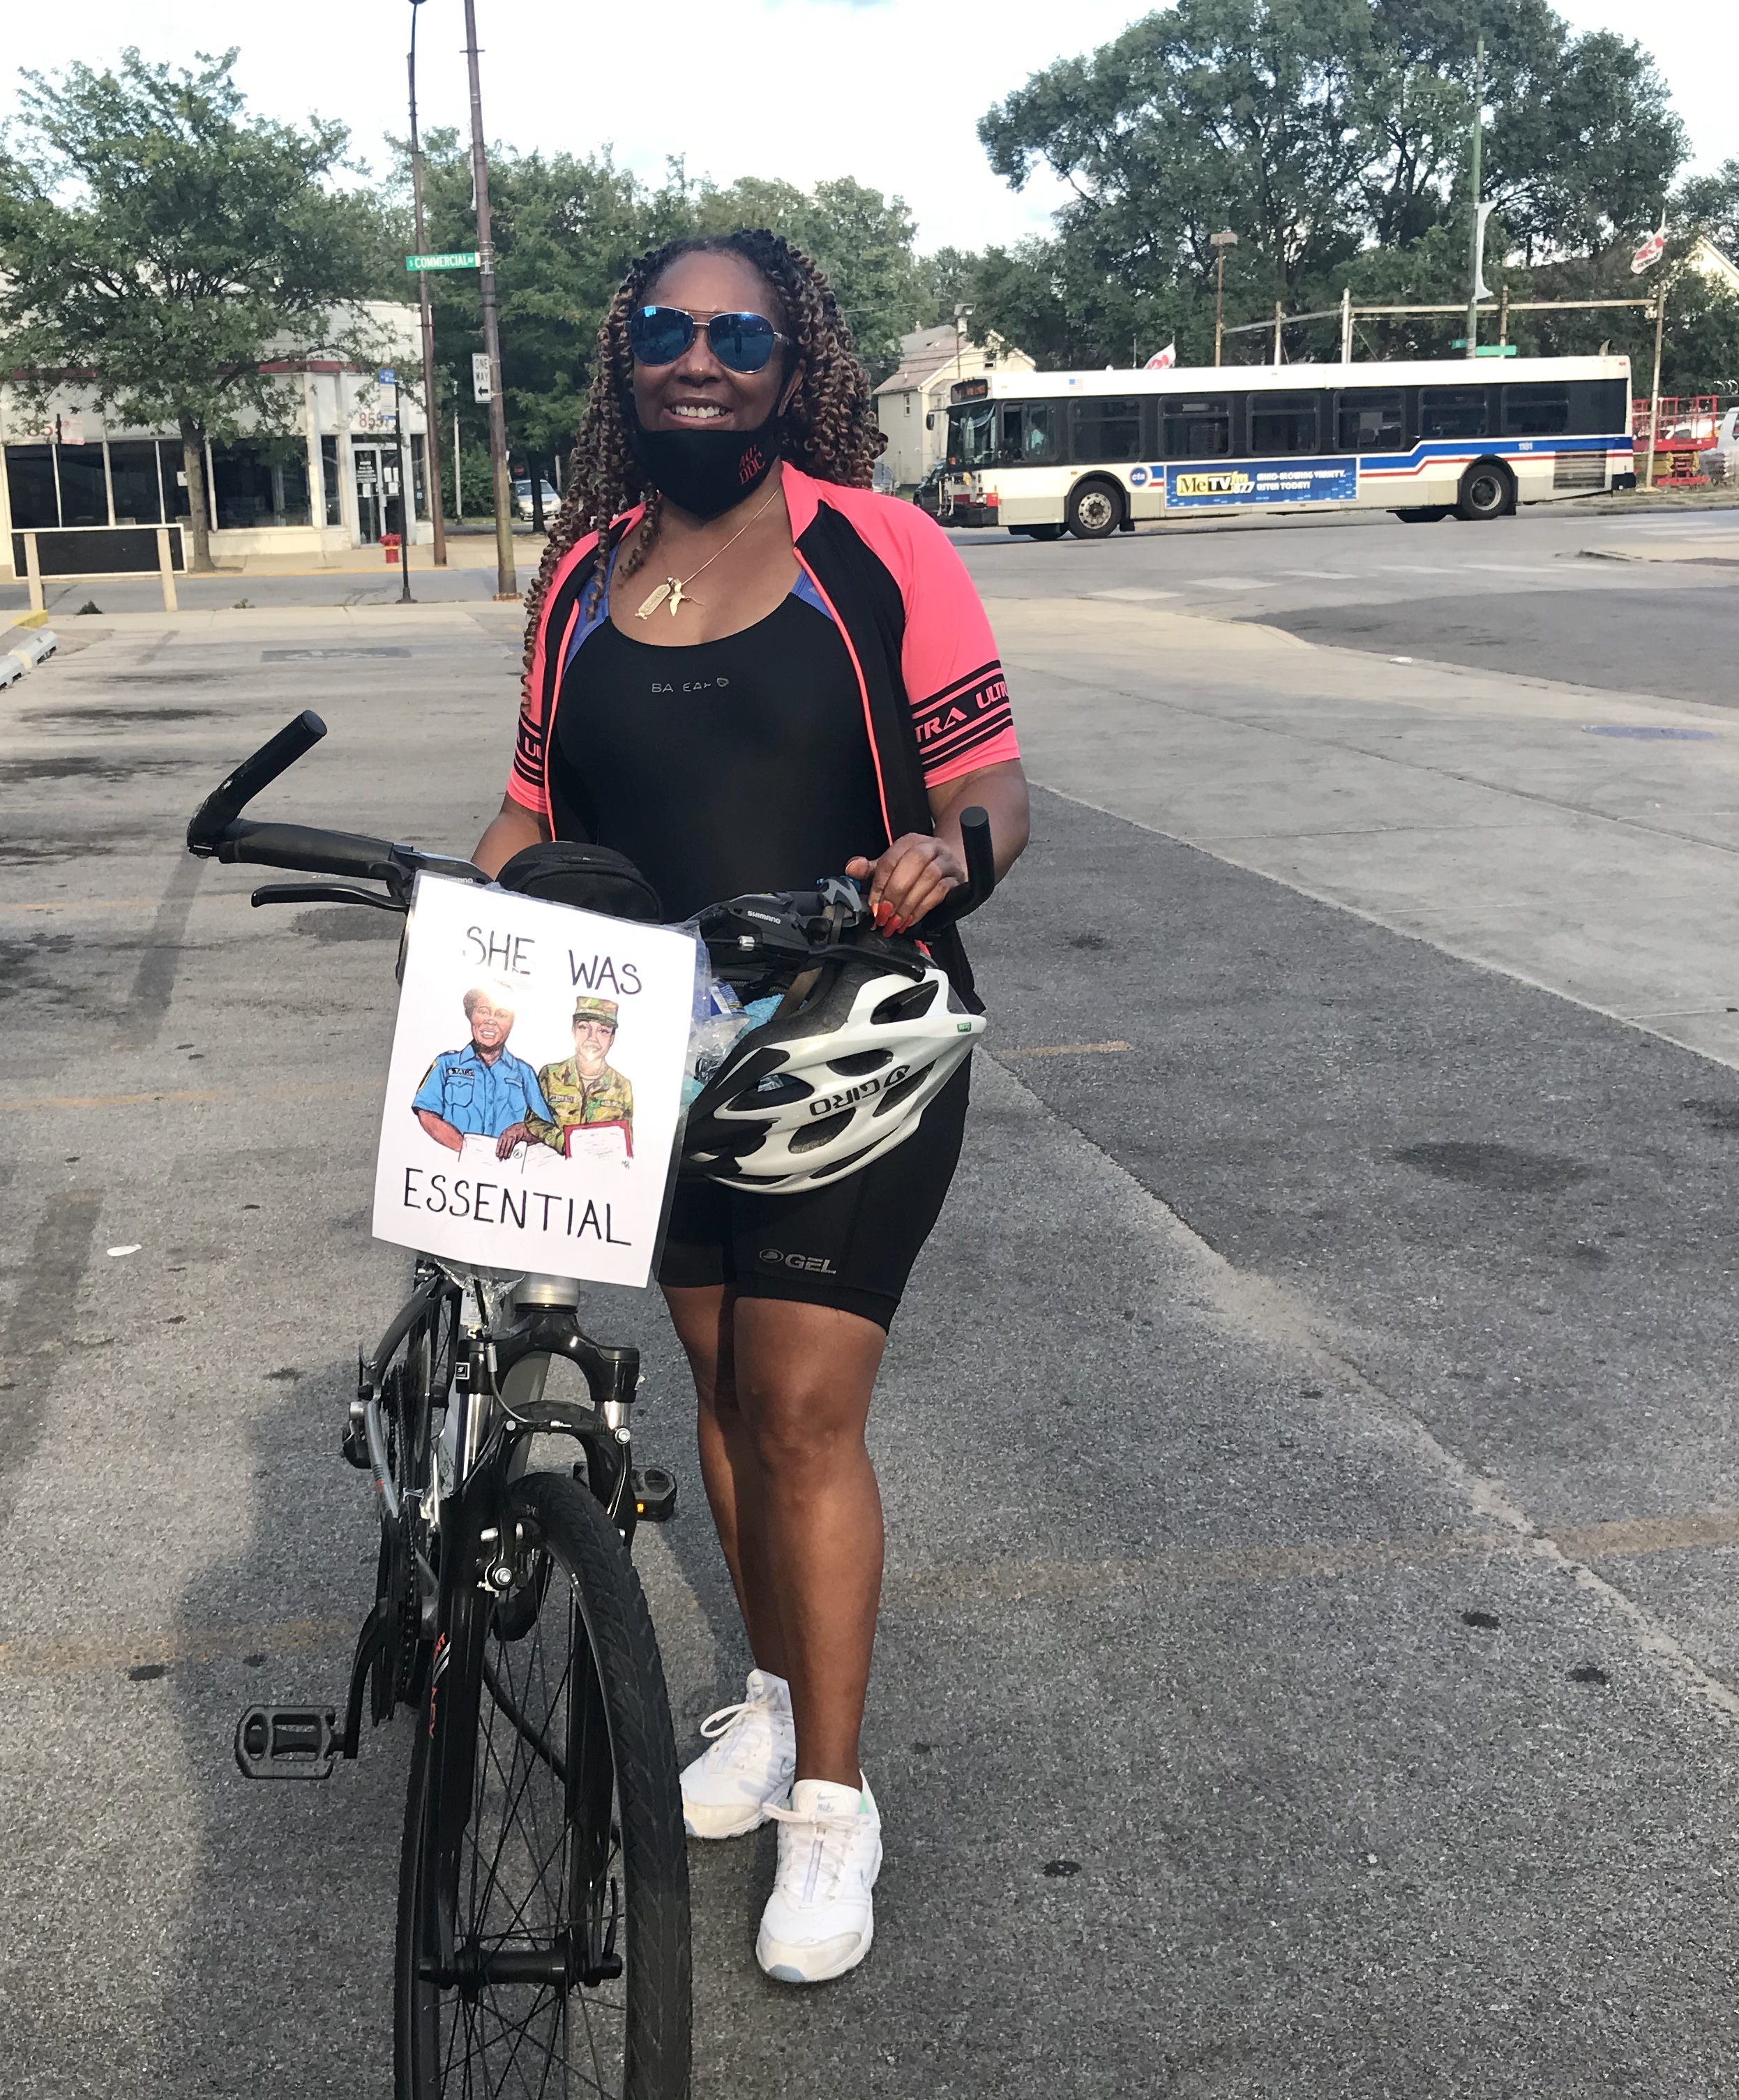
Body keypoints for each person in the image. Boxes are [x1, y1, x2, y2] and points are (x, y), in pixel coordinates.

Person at [470, 229, 1029, 1986]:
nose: (698, 357)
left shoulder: (880, 548)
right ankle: (778, 1710)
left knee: (798, 1410)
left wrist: (952, 857)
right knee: (716, 1386)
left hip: (852, 1034)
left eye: (739, 333)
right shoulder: (580, 577)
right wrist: (453, 929)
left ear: (795, 367)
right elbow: (527, 813)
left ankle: (836, 1810)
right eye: (664, 328)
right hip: (647, 1049)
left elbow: (997, 790)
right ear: (625, 358)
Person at [411, 986, 550, 1157]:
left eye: (501, 1014)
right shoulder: (445, 1064)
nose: (491, 1021)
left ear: (511, 1023)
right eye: (483, 1011)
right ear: (471, 1016)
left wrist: (524, 1130)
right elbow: (427, 1115)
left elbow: (545, 1126)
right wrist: (468, 1152)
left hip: (509, 1172)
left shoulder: (524, 1072)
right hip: (452, 1166)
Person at [520, 993, 637, 1157]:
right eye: (584, 1027)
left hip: (598, 1172)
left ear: (612, 1039)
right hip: (552, 1168)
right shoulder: (551, 1075)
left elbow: (626, 1142)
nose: (592, 1038)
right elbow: (534, 1122)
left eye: (603, 1031)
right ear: (574, 1031)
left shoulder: (622, 1085)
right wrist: (564, 1143)